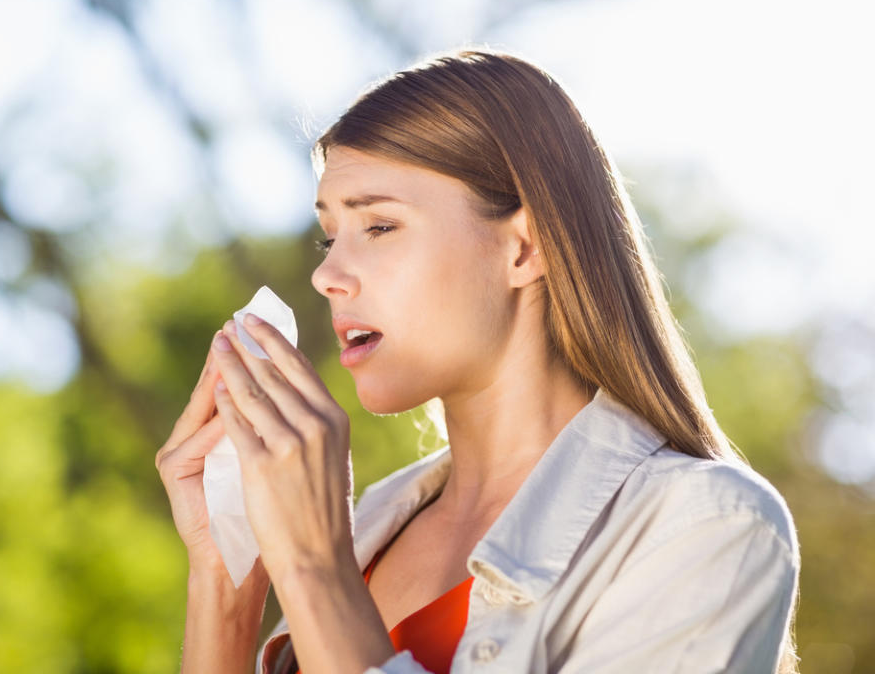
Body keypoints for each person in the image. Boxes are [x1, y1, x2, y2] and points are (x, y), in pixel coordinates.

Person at [155, 47, 800, 674]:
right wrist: (228, 584)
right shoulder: (364, 530)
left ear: (524, 249)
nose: (327, 275)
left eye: (378, 226)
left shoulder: (706, 528)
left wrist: (315, 571)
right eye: (330, 237)